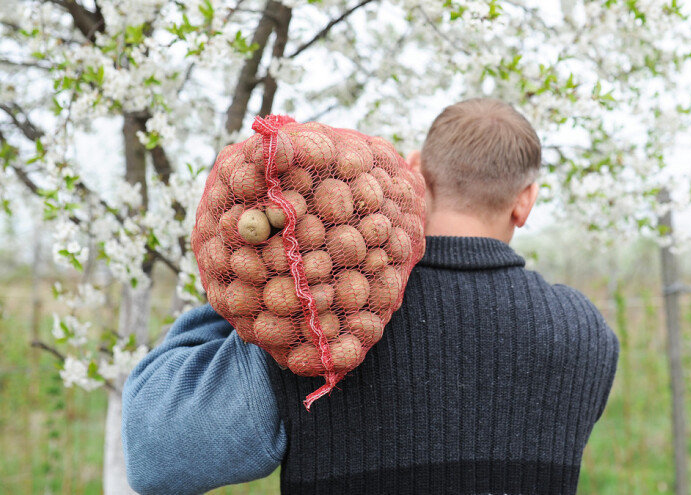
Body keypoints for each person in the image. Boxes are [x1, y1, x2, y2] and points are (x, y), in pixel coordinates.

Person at [122, 98, 619, 495]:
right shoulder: (583, 331)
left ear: (417, 172)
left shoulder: (325, 322)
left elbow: (156, 456)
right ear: (525, 201)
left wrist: (250, 286)